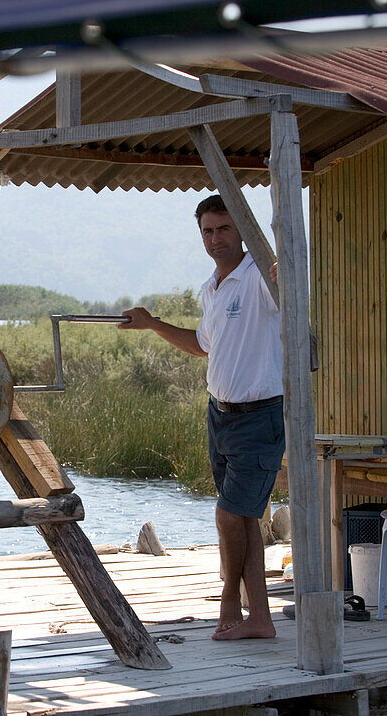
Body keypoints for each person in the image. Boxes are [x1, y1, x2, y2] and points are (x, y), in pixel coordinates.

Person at [119, 194, 283, 641]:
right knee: (244, 519)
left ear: (242, 231)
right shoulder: (211, 287)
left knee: (229, 518)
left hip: (260, 415)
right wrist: (152, 323)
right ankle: (262, 619)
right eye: (207, 231)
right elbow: (201, 345)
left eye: (224, 229)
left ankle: (230, 597)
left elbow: (290, 293)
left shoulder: (261, 277)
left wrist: (283, 267)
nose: (215, 239)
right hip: (220, 416)